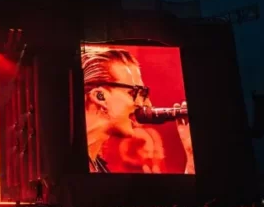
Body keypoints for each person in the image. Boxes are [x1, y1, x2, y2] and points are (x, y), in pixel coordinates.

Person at [81, 46, 193, 174]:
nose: (147, 104)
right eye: (135, 93)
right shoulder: (66, 163)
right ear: (100, 96)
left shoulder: (97, 166)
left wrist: (191, 161)